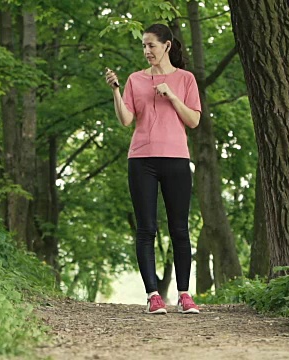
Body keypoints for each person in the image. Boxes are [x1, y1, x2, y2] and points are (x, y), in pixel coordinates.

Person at [105, 23, 201, 315]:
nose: (147, 51)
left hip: (176, 160)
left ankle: (185, 295)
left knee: (179, 229)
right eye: (144, 46)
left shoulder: (186, 79)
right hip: (142, 159)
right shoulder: (135, 79)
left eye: (152, 46)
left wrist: (171, 95)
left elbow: (194, 121)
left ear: (167, 46)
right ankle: (153, 296)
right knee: (146, 229)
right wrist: (116, 90)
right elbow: (125, 119)